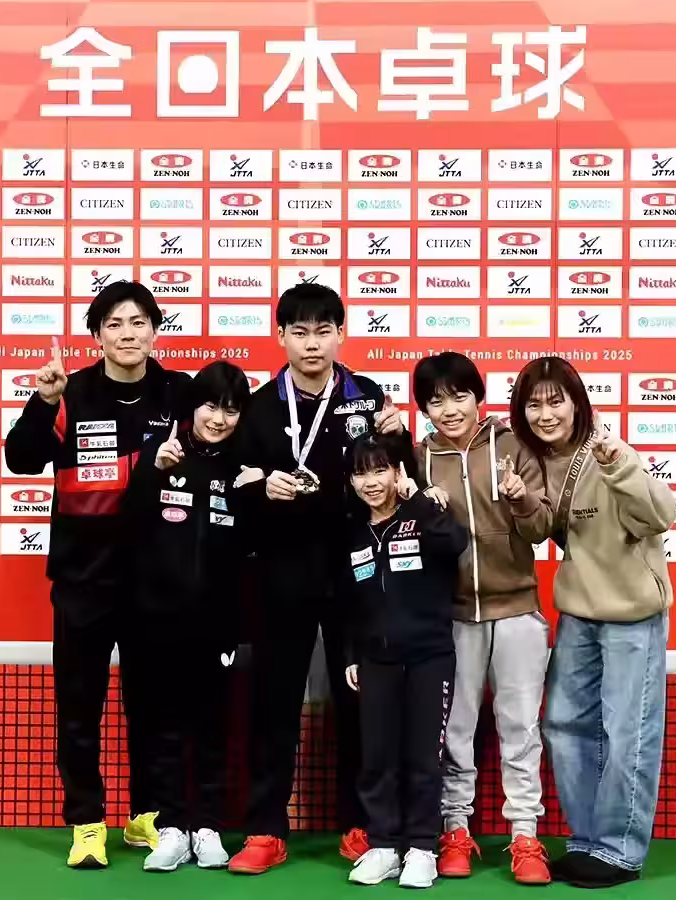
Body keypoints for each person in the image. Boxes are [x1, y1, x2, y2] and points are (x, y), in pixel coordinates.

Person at [226, 283, 414, 875]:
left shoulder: (367, 398)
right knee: (273, 700)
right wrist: (262, 488)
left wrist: (399, 438)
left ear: (341, 334)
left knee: (361, 699)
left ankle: (363, 823)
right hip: (279, 571)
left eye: (323, 331)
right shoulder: (259, 406)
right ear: (280, 336)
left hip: (355, 569)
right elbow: (231, 491)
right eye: (300, 332)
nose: (312, 344)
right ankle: (265, 828)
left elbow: (398, 480)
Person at [4, 280, 192, 869]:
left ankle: (146, 818)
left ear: (155, 330)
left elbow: (226, 440)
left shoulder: (179, 393)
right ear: (97, 335)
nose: (128, 334)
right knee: (80, 708)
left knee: (154, 707)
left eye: (138, 322)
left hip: (156, 581)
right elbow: (20, 459)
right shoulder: (71, 392)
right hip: (83, 581)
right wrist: (43, 403)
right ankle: (87, 822)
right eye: (114, 324)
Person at [508, 356, 676, 889]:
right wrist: (520, 499)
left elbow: (661, 515)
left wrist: (618, 465)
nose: (545, 414)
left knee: (629, 732)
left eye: (555, 401)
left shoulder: (607, 449)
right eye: (533, 404)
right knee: (563, 726)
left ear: (577, 403)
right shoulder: (536, 462)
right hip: (578, 613)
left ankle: (619, 851)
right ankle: (586, 842)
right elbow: (538, 529)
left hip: (633, 614)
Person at [412, 352, 554, 885]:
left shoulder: (514, 446)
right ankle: (455, 830)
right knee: (455, 730)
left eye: (459, 396)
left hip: (517, 610)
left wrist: (521, 500)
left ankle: (525, 835)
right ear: (424, 409)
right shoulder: (417, 459)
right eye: (436, 401)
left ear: (478, 397)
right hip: (450, 617)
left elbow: (541, 530)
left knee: (521, 728)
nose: (449, 409)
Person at [123, 361, 262, 873]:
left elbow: (257, 546)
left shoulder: (247, 464)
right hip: (157, 620)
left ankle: (207, 827)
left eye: (231, 409)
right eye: (211, 406)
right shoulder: (163, 453)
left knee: (211, 727)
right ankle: (171, 828)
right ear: (193, 407)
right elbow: (129, 523)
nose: (219, 419)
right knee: (162, 728)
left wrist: (257, 493)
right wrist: (151, 472)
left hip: (217, 624)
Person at [343, 434, 467, 889]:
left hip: (429, 658)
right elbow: (349, 603)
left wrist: (421, 503)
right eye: (361, 473)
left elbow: (454, 543)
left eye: (381, 470)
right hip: (376, 661)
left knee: (423, 758)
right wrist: (353, 654)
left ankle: (421, 848)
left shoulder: (423, 514)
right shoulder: (354, 532)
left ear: (399, 473)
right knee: (377, 757)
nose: (371, 482)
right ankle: (383, 846)